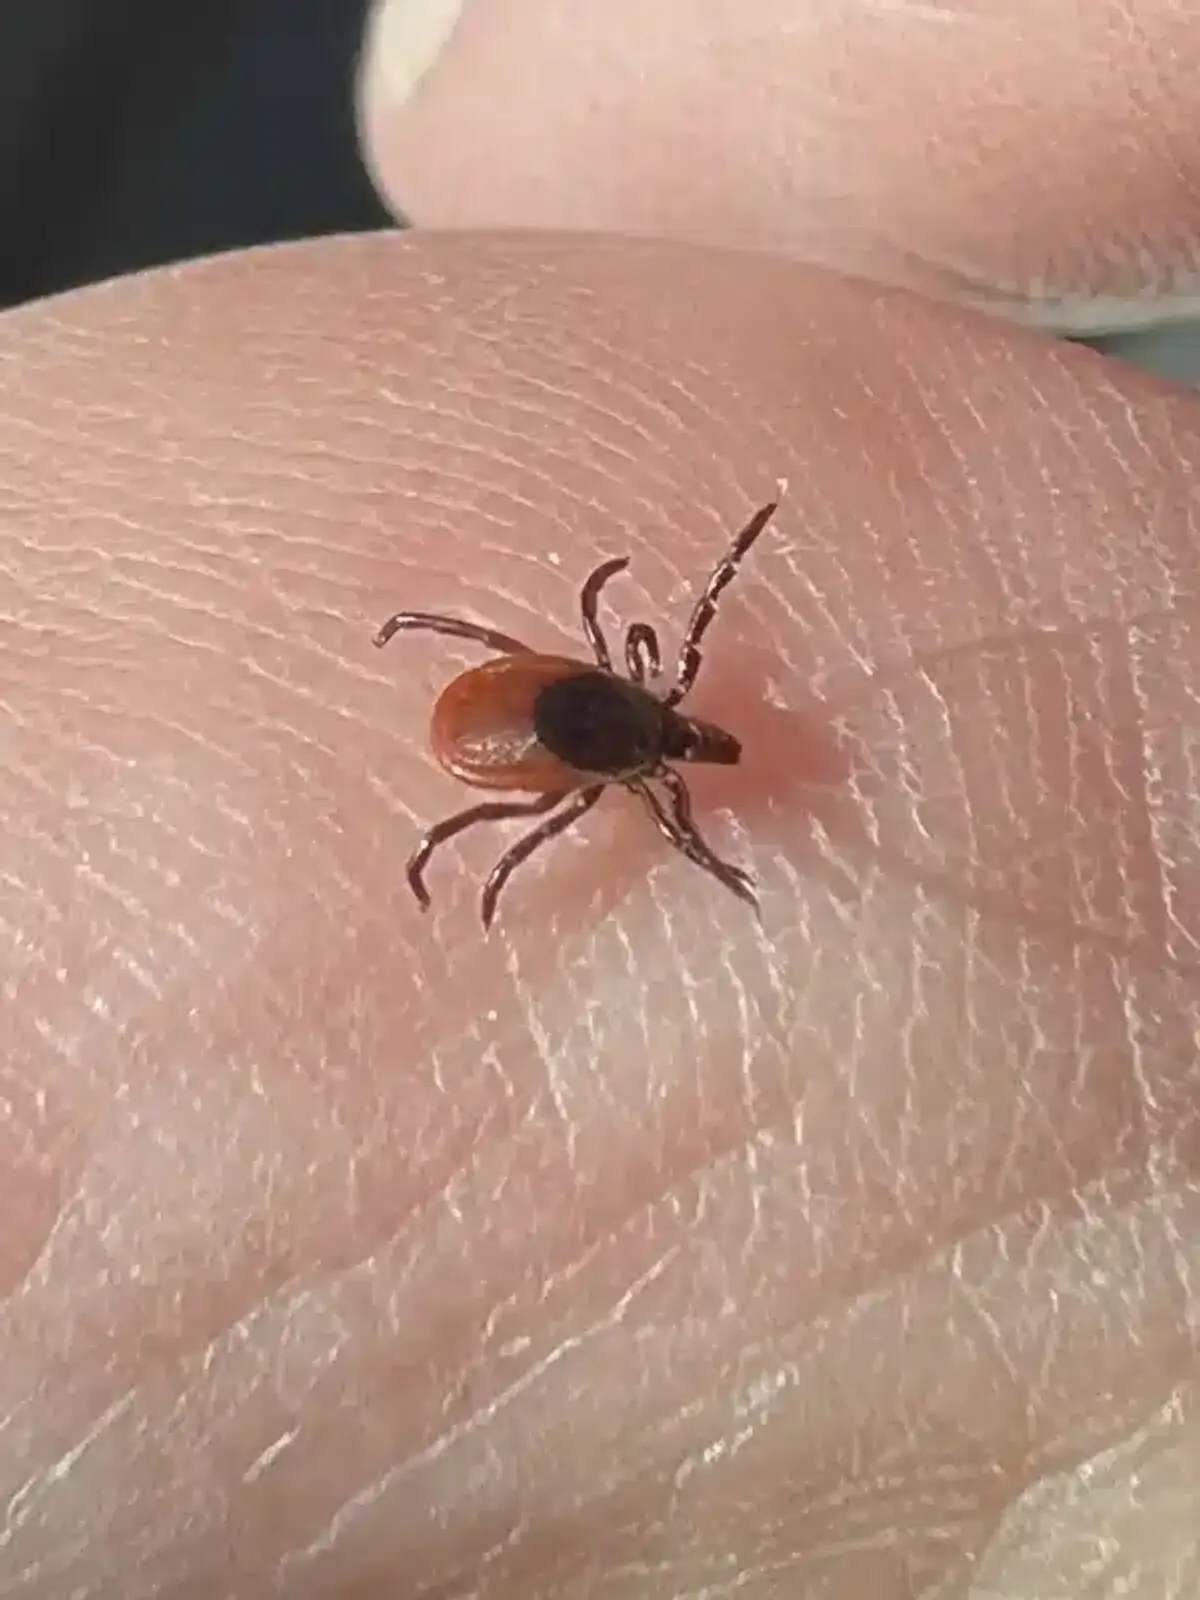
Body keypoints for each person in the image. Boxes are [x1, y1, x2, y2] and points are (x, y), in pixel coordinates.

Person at [2, 3, 1198, 1594]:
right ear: (660, 707)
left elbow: (581, 680)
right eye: (684, 718)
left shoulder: (624, 725)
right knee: (520, 773)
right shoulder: (625, 730)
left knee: (524, 765)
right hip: (524, 728)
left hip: (522, 726)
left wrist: (558, 778)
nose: (695, 724)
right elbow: (580, 698)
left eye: (678, 717)